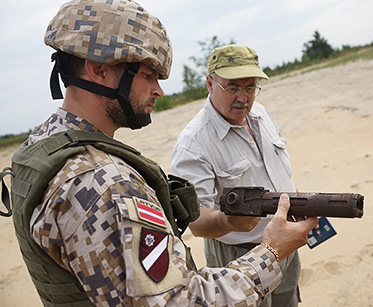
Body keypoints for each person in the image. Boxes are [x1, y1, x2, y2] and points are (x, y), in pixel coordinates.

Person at [0, 1, 318, 306]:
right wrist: (272, 252)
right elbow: (179, 301)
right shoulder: (104, 183)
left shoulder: (45, 144)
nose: (159, 90)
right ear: (98, 69)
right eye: (148, 74)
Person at [170, 44, 305, 306]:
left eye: (250, 87)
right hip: (238, 256)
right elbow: (196, 221)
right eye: (232, 87)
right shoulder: (193, 144)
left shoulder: (261, 114)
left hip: (285, 245)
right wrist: (228, 221)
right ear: (210, 83)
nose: (243, 97)